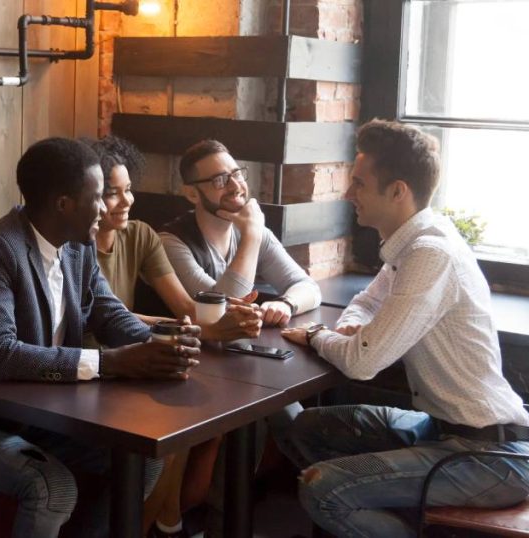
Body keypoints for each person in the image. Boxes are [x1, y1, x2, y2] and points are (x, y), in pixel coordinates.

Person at [0, 137, 202, 537]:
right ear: (63, 204)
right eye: (97, 196)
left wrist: (159, 343)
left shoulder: (77, 245)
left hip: (44, 416)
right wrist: (108, 363)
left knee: (144, 457)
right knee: (55, 489)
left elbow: (107, 311)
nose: (106, 208)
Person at [280, 119, 529, 537]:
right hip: (443, 430)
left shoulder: (430, 252)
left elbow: (362, 363)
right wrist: (351, 326)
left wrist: (315, 336)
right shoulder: (416, 241)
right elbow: (365, 302)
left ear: (397, 191)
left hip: (489, 453)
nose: (347, 194)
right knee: (306, 427)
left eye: (359, 183)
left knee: (325, 490)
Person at [85, 136, 262, 537]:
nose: (126, 200)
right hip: (100, 362)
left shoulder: (141, 236)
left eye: (128, 189)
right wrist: (209, 329)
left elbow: (184, 307)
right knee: (172, 420)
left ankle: (168, 523)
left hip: (135, 356)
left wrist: (224, 323)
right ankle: (167, 526)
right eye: (112, 193)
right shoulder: (77, 244)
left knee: (190, 417)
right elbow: (109, 315)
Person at [161, 139, 321, 327]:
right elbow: (219, 313)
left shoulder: (251, 231)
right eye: (219, 180)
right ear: (192, 194)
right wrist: (252, 235)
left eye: (236, 174)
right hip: (180, 352)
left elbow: (309, 288)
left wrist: (287, 304)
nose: (236, 186)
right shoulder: (170, 243)